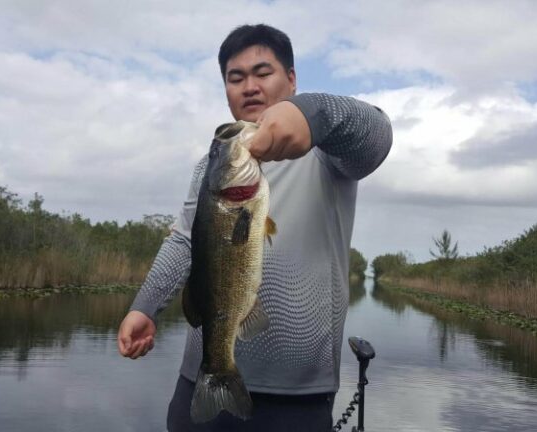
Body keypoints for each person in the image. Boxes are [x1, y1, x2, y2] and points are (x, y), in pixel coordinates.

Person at [117, 24, 392, 431]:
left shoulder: (329, 153)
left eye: (263, 73)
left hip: (297, 396)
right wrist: (145, 305)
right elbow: (184, 240)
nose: (249, 86)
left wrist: (308, 114)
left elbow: (376, 135)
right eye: (236, 77)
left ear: (292, 80)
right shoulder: (212, 165)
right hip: (201, 378)